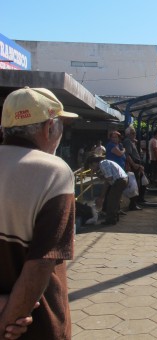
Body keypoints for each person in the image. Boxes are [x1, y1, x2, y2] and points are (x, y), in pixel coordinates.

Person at [0, 86, 78, 338]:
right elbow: (41, 263)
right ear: (49, 128)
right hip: (36, 324)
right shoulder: (53, 171)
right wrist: (6, 324)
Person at [86, 156, 129, 225]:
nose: (92, 169)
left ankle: (110, 220)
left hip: (119, 181)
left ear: (93, 163)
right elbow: (108, 180)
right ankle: (114, 217)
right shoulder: (104, 163)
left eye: (91, 167)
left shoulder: (103, 164)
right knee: (115, 200)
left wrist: (101, 196)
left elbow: (109, 178)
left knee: (111, 200)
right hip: (121, 180)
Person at [123, 125, 146, 209]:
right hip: (134, 165)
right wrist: (134, 164)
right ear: (128, 134)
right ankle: (133, 204)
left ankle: (136, 201)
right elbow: (128, 155)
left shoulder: (132, 142)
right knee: (135, 185)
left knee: (139, 184)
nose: (134, 135)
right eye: (133, 133)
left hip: (137, 164)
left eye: (135, 133)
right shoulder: (127, 141)